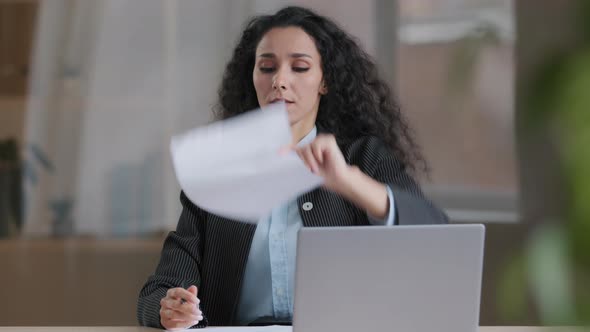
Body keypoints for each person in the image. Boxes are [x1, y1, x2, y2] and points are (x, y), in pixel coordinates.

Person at [137, 6, 448, 329]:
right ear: (253, 78)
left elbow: (435, 236)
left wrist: (349, 182)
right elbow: (156, 291)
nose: (280, 81)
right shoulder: (218, 172)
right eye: (267, 67)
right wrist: (169, 308)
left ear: (324, 80)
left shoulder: (363, 156)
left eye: (299, 67)